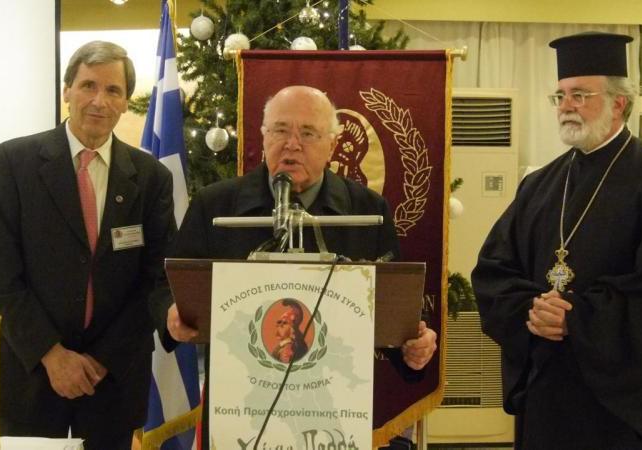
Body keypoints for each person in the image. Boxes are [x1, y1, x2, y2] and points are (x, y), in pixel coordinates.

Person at [149, 85, 437, 449]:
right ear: (264, 137)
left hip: (332, 409)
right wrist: (171, 314)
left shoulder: (367, 210)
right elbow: (166, 286)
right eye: (281, 130)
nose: (292, 144)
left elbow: (389, 307)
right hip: (240, 406)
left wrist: (413, 346)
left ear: (332, 145)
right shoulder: (216, 204)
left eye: (309, 133)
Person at [472, 32, 642, 450]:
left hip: (623, 409)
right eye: (560, 96)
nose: (566, 106)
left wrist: (575, 319)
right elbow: (493, 271)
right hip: (549, 392)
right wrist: (531, 310)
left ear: (619, 103)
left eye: (580, 95)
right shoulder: (539, 185)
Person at [0, 41, 175, 449]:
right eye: (88, 85)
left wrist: (101, 360)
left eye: (113, 90)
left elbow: (156, 280)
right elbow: (2, 275)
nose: (99, 101)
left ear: (125, 102)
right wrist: (52, 356)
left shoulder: (151, 178)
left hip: (113, 377)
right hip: (33, 371)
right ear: (67, 90)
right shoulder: (14, 163)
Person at [271, 299, 309, 364]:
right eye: (279, 322)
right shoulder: (283, 345)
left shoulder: (290, 347)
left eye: (284, 323)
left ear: (292, 327)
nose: (280, 325)